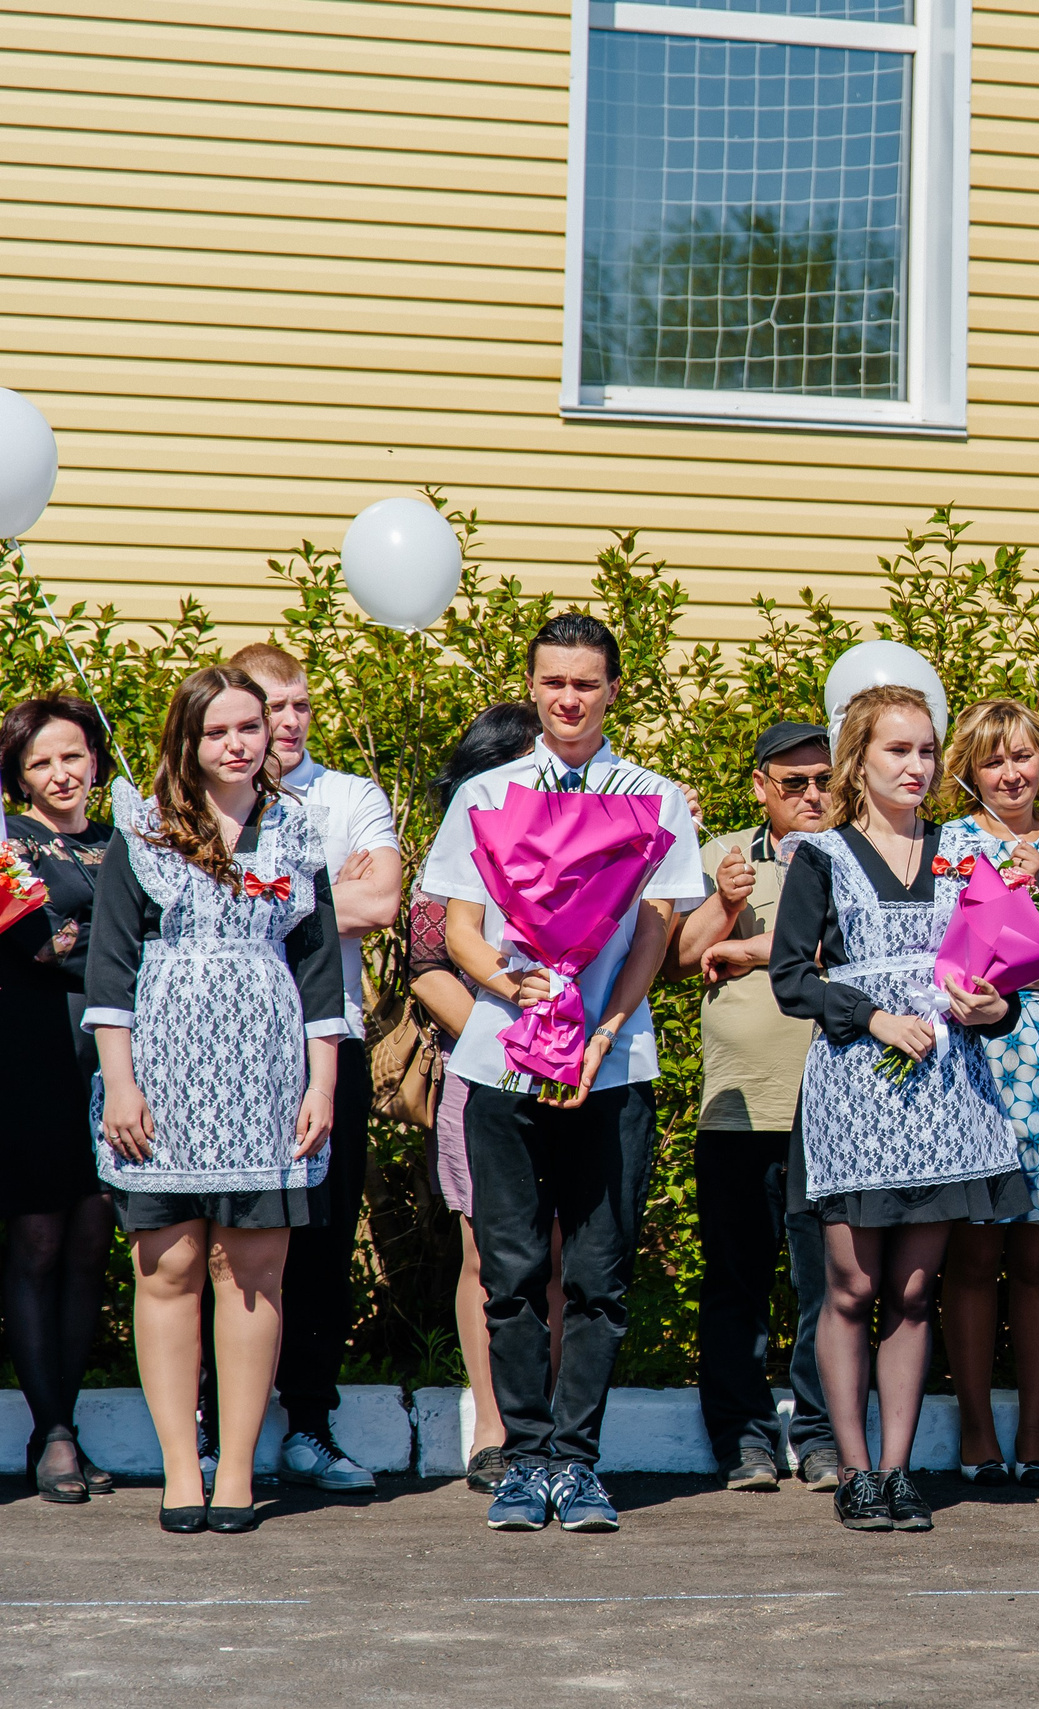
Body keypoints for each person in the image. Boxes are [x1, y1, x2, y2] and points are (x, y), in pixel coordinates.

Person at [421, 614, 705, 1535]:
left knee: (597, 1274)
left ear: (614, 688)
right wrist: (514, 985)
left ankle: (578, 1463)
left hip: (612, 1068)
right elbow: (459, 924)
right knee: (507, 1269)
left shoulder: (655, 797)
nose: (570, 698)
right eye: (554, 683)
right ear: (534, 687)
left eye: (587, 682)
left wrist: (605, 1026)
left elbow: (657, 929)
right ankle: (522, 1457)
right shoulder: (486, 794)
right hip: (502, 1060)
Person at [86, 665, 346, 1534]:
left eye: (252, 726)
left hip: (268, 1076)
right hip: (161, 1075)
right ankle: (180, 1471)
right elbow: (110, 967)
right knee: (168, 1266)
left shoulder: (297, 832)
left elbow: (319, 973)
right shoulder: (145, 829)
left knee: (253, 1270)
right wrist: (119, 1082)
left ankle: (236, 1469)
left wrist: (323, 1083)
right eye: (219, 731)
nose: (240, 744)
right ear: (187, 743)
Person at [769, 685, 1022, 1534]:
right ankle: (852, 1468)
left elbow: (999, 973)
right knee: (851, 1285)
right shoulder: (822, 857)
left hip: (946, 1095)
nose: (915, 766)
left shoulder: (964, 853)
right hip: (852, 1093)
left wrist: (997, 1007)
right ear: (859, 760)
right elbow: (790, 978)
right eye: (896, 751)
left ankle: (898, 1468)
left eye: (925, 751)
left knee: (914, 1290)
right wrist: (870, 1014)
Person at [227, 643, 402, 1497]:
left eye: (299, 705)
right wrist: (320, 887)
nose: (288, 721)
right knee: (222, 1237)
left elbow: (381, 903)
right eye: (271, 706)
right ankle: (214, 1420)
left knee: (322, 1238)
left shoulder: (348, 795)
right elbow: (344, 900)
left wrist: (258, 885)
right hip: (224, 1044)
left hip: (332, 1039)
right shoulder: (204, 800)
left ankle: (309, 1423)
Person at [667, 721, 840, 1495]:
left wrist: (745, 952)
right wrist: (726, 911)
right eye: (793, 782)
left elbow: (851, 947)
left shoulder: (857, 853)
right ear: (760, 786)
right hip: (739, 1107)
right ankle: (742, 1436)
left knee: (828, 1281)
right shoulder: (721, 857)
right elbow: (671, 960)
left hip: (835, 1104)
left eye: (823, 779)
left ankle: (822, 1431)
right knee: (737, 1280)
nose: (812, 794)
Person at [937, 699, 1039, 1488]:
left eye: (1023, 757)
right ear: (968, 772)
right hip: (973, 1059)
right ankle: (976, 1432)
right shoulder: (949, 848)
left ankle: (1036, 1437)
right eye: (993, 760)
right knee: (970, 1256)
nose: (1011, 773)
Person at [406, 701, 545, 1494]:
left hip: (580, 1068)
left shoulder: (582, 836)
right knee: (487, 1254)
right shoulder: (454, 849)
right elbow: (427, 964)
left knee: (563, 1250)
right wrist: (505, 1040)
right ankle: (494, 1424)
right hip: (482, 1069)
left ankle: (552, 1421)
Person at [2, 696, 118, 1502]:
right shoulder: (7, 842)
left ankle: (65, 1418)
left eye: (72, 755)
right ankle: (54, 1433)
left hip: (115, 1063)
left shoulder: (129, 842)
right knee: (38, 1241)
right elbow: (33, 943)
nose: (60, 773)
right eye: (41, 762)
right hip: (32, 1053)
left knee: (89, 1245)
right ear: (18, 777)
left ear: (96, 761)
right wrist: (93, 947)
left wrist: (81, 944)